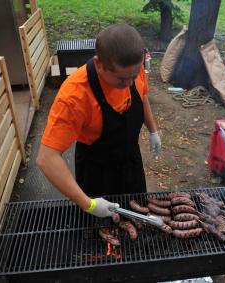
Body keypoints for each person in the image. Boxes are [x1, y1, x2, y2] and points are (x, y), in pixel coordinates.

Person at [36, 24, 161, 218]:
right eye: (121, 80)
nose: (129, 84)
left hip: (131, 163)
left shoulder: (132, 69)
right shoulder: (74, 96)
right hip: (97, 172)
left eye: (134, 76)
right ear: (99, 63)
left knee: (137, 219)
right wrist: (89, 204)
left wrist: (153, 130)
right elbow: (47, 158)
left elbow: (142, 96)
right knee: (99, 230)